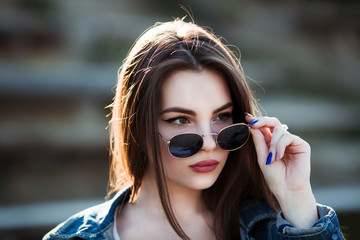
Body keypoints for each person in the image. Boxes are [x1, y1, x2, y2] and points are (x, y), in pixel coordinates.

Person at [43, 19, 344, 240]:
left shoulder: (268, 227)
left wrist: (297, 198)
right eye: (180, 120)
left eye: (222, 117)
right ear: (139, 125)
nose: (211, 144)